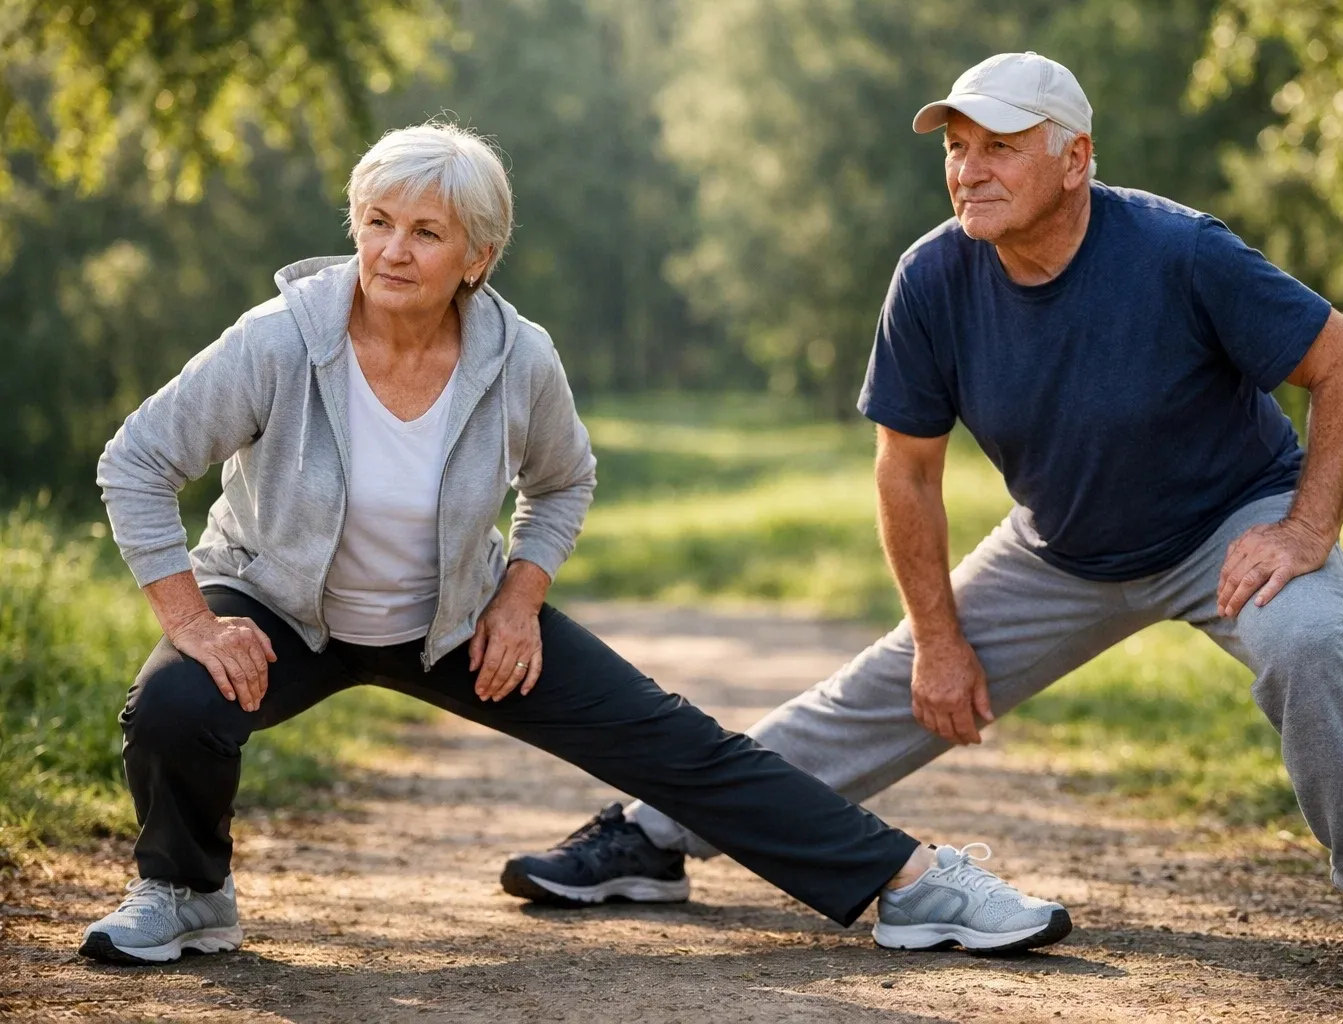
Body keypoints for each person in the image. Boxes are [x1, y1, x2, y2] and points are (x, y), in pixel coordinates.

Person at [501, 55, 1343, 985]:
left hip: (1232, 522)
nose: (969, 170)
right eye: (955, 148)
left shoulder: (1181, 252)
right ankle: (651, 834)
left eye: (1000, 146)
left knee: (1311, 639)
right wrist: (939, 639)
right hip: (1059, 546)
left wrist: (1304, 530)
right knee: (881, 694)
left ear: (1076, 159)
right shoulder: (932, 277)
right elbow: (907, 473)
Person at [81, 122, 1073, 966]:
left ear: (477, 255)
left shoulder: (518, 358)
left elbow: (562, 483)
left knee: (681, 744)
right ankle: (187, 891)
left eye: (426, 232)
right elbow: (137, 461)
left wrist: (518, 598)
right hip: (280, 610)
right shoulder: (280, 338)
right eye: (377, 222)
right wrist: (195, 621)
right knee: (174, 700)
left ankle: (912, 881)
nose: (391, 250)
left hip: (456, 619)